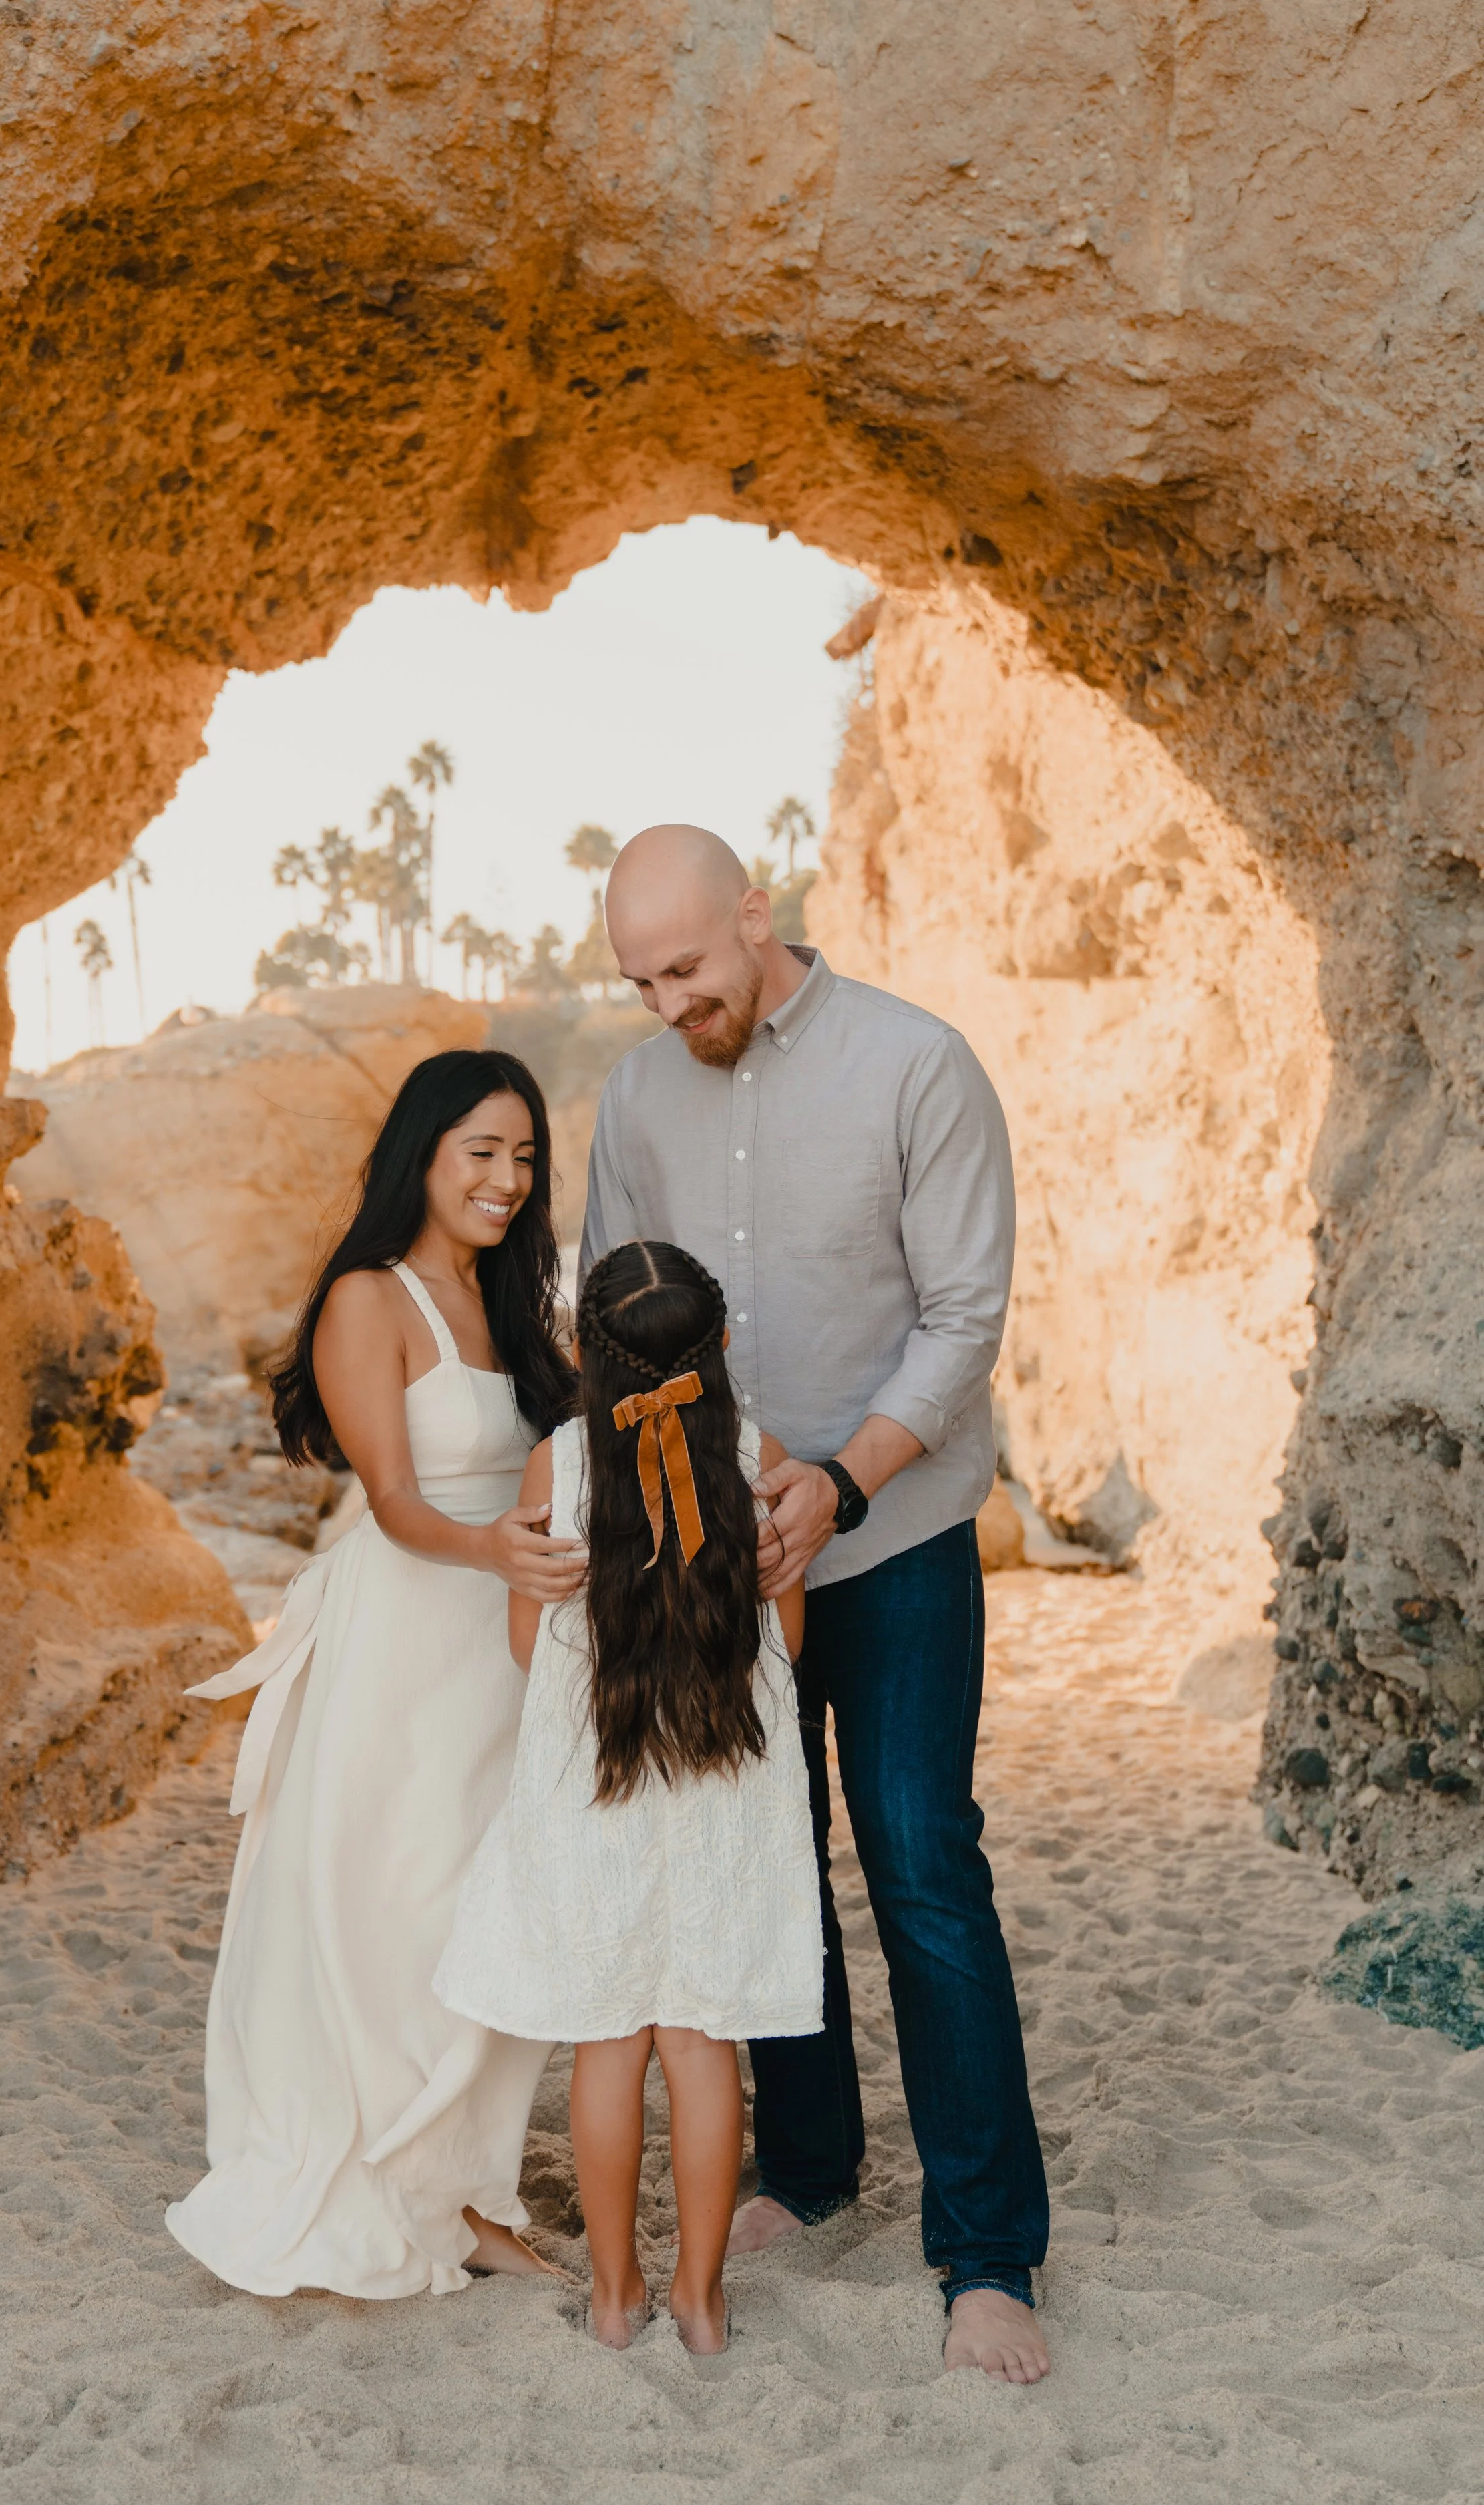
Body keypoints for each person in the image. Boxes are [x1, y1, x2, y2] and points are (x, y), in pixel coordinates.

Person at [578, 825, 1051, 2385]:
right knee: (763, 1862)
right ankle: (809, 2167)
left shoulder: (915, 1064)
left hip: (895, 1529)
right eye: (640, 978)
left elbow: (965, 1312)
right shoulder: (637, 1094)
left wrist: (838, 1480)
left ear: (756, 917)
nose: (667, 1004)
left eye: (688, 969)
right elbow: (610, 1299)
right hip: (716, 1563)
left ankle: (985, 2256)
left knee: (919, 1861)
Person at [165, 1049, 584, 2300]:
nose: (507, 1180)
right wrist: (489, 1546)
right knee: (398, 1911)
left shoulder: (512, 1300)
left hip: (508, 1644)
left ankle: (463, 2189)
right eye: (482, 1153)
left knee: (496, 1912)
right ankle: (407, 2185)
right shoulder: (369, 1298)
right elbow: (395, 1500)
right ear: (424, 1154)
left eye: (524, 1156)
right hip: (407, 1634)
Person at [436, 1240, 823, 2353]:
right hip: (723, 1788)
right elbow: (785, 1645)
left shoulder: (555, 1468)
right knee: (703, 2047)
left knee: (607, 2045)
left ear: (578, 1353)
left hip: (598, 1786)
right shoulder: (760, 1459)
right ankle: (701, 2300)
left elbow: (528, 1648)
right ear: (723, 1351)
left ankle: (615, 2295)